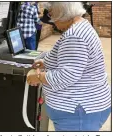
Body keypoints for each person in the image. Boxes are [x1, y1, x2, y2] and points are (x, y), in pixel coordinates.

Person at [26, 2, 111, 131]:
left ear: (62, 12)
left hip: (78, 112)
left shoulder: (74, 36)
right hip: (82, 109)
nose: (52, 20)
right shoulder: (81, 25)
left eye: (52, 14)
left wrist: (38, 77)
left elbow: (67, 76)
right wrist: (46, 62)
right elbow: (71, 58)